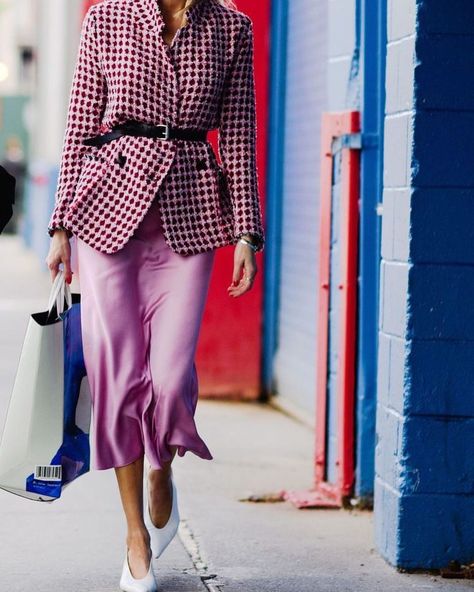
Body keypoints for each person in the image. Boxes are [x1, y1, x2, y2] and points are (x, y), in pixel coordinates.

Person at [44, 0, 265, 590]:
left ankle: (162, 466)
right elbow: (80, 125)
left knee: (167, 379)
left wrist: (246, 228)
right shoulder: (107, 17)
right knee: (117, 379)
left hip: (188, 214)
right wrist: (62, 223)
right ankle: (134, 534)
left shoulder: (232, 27)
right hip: (107, 211)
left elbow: (238, 132)